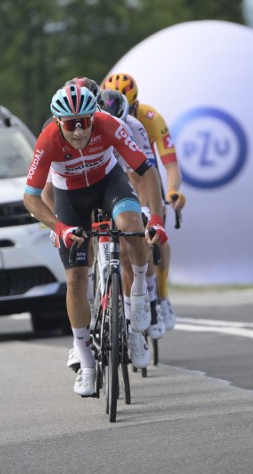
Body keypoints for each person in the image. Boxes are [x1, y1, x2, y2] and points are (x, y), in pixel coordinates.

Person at [23, 83, 168, 397]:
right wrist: (59, 227)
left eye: (84, 122)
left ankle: (140, 295)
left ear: (94, 116)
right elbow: (31, 197)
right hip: (70, 197)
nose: (78, 132)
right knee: (76, 279)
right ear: (57, 123)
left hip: (108, 184)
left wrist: (155, 218)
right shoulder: (48, 139)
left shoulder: (109, 125)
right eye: (70, 125)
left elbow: (147, 172)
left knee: (132, 225)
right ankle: (86, 361)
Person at [102, 72, 184, 331]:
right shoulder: (104, 121)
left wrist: (171, 191)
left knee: (156, 237)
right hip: (117, 176)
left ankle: (162, 296)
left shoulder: (148, 120)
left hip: (144, 172)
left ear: (136, 104)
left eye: (131, 106)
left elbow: (167, 164)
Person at [97, 89, 167, 340]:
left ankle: (150, 298)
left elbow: (142, 175)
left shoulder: (132, 127)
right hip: (100, 182)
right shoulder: (88, 130)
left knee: (133, 244)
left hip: (127, 180)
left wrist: (146, 210)